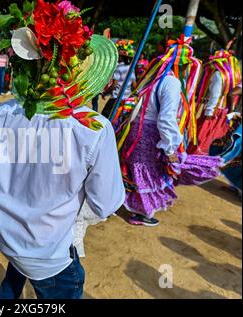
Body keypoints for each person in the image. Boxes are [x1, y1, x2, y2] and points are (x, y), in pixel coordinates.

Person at [0, 0, 124, 299]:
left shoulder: (5, 113)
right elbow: (106, 202)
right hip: (52, 253)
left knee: (14, 281)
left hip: (10, 240)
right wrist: (64, 205)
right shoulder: (92, 128)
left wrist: (9, 177)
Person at [120, 36, 223, 227]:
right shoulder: (172, 83)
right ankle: (143, 212)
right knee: (149, 173)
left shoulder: (153, 78)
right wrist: (170, 149)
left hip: (137, 131)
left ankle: (134, 206)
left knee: (140, 170)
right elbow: (166, 119)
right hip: (150, 135)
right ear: (184, 67)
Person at [188, 50, 241, 155]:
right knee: (215, 141)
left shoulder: (218, 75)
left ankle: (196, 162)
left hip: (214, 113)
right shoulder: (235, 76)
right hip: (224, 114)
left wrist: (209, 112)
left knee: (202, 140)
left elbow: (214, 96)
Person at [101, 39, 137, 118]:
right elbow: (134, 85)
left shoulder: (118, 67)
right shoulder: (131, 68)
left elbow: (114, 85)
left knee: (104, 117)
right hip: (127, 101)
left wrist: (105, 93)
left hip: (116, 99)